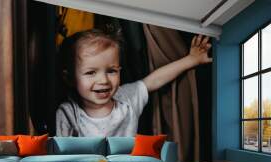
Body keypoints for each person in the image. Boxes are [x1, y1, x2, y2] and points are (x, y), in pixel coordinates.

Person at [56, 29, 212, 137]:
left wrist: (192, 60)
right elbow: (63, 157)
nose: (103, 81)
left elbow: (154, 80)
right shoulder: (68, 113)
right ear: (70, 78)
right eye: (91, 73)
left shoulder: (126, 99)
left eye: (111, 71)